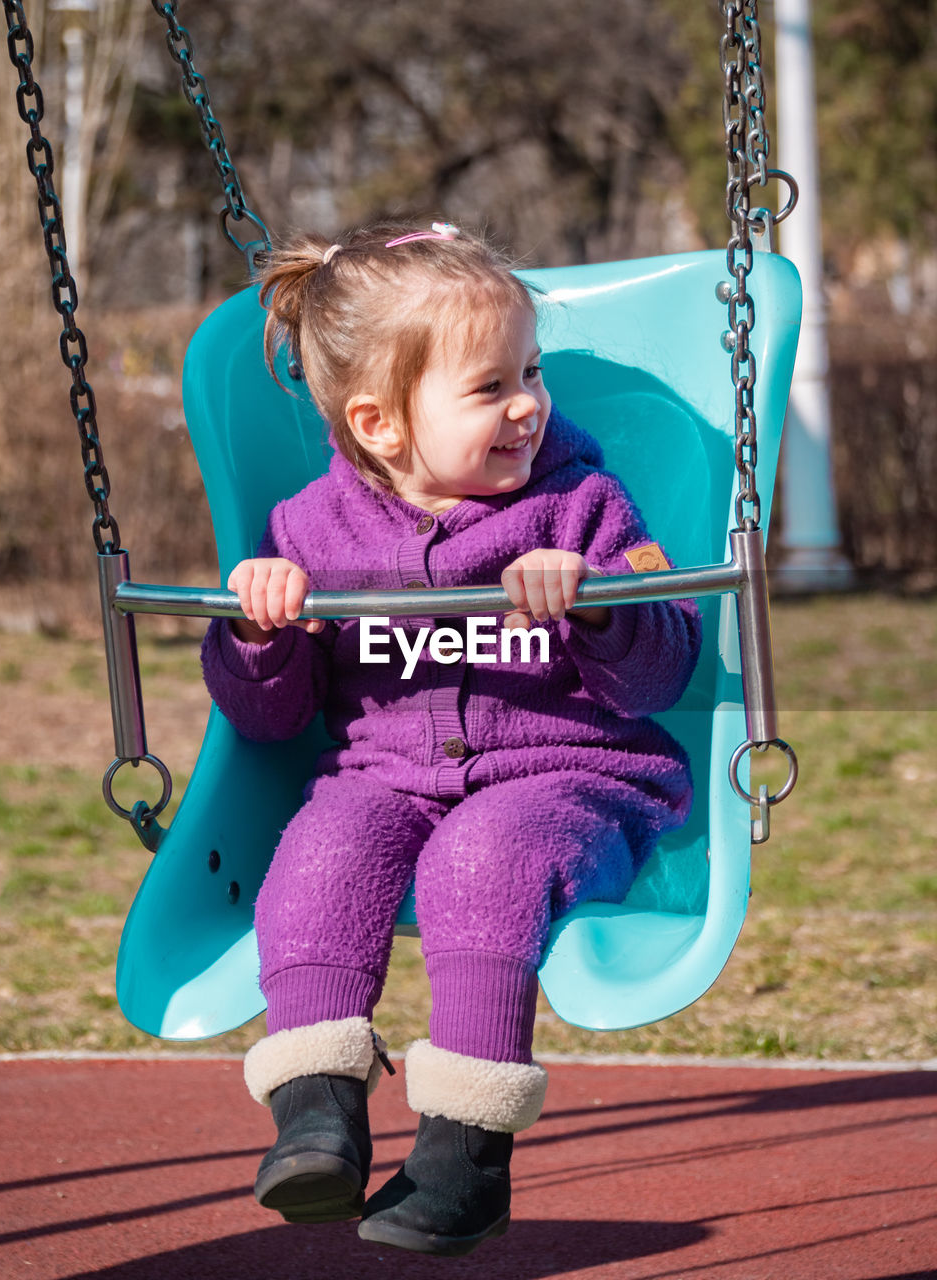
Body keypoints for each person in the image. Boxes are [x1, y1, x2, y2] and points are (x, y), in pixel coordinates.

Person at [200, 219, 702, 1257]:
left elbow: (666, 667)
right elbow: (269, 717)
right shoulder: (308, 534)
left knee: (486, 856)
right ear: (381, 424)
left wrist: (600, 606)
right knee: (322, 849)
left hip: (572, 771)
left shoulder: (581, 506)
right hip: (383, 774)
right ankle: (316, 1107)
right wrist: (256, 629)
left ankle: (465, 1153)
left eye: (532, 371)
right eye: (489, 388)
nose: (528, 404)